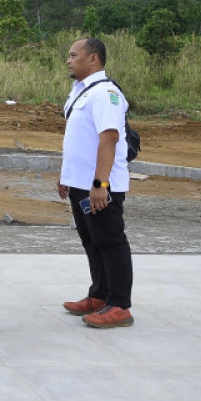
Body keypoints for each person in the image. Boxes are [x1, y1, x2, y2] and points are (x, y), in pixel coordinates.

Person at [58, 36, 134, 328]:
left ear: (93, 58)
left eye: (74, 54)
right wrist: (65, 177)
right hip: (80, 184)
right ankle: (100, 296)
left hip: (101, 187)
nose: (69, 59)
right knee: (92, 240)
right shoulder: (81, 91)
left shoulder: (105, 93)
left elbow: (110, 138)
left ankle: (119, 305)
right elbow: (78, 139)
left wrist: (100, 185)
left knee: (111, 241)